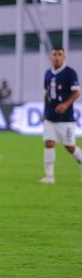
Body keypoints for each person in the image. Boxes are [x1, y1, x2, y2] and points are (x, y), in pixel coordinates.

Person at [40, 47, 82, 184]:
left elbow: (76, 92)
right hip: (51, 117)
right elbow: (47, 94)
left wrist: (66, 104)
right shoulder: (48, 74)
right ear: (51, 57)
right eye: (54, 55)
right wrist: (44, 112)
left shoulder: (70, 73)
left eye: (59, 54)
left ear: (64, 57)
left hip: (66, 119)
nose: (57, 57)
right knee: (49, 143)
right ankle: (49, 177)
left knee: (70, 147)